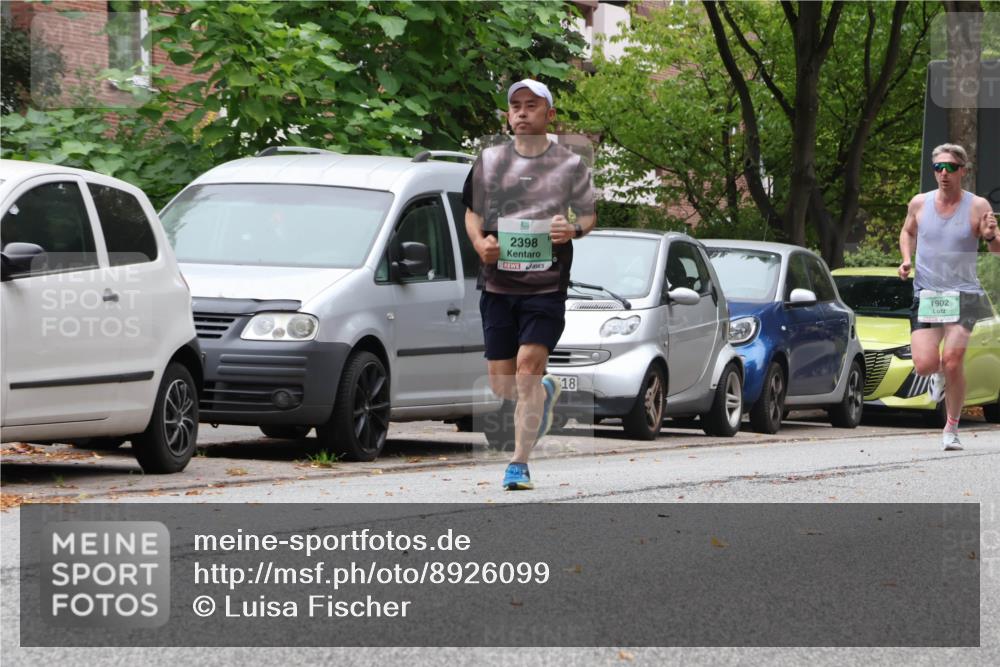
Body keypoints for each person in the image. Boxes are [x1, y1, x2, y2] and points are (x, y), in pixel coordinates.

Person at [462, 79, 597, 490]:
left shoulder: (570, 165)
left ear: (549, 115)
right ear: (508, 115)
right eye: (515, 106)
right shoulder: (489, 162)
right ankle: (547, 390)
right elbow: (472, 213)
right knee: (504, 384)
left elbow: (588, 216)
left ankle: (518, 464)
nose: (522, 112)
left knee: (526, 372)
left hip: (546, 287)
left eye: (531, 105)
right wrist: (480, 243)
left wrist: (572, 230)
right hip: (498, 286)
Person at [898, 142, 999, 450]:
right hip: (927, 292)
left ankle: (951, 427)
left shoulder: (977, 206)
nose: (944, 173)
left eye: (951, 168)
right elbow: (908, 231)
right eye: (938, 167)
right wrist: (906, 259)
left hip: (964, 294)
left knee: (953, 361)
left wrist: (991, 236)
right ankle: (937, 374)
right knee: (925, 364)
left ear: (962, 171)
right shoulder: (919, 203)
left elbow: (996, 249)